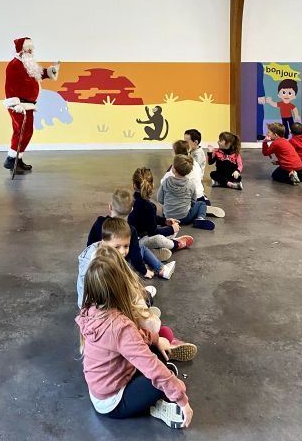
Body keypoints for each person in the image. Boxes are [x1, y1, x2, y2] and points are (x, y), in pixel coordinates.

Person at [76, 247, 194, 427]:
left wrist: (156, 339)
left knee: (156, 354)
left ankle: (159, 377)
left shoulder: (90, 310)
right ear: (123, 286)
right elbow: (151, 366)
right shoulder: (120, 326)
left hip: (102, 390)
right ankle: (155, 407)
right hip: (114, 404)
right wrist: (181, 399)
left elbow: (134, 338)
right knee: (166, 374)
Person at [87, 188, 176, 279]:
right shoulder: (130, 229)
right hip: (124, 268)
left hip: (101, 267)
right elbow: (135, 255)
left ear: (110, 207)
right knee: (141, 248)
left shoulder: (99, 222)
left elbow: (90, 245)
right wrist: (144, 272)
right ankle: (160, 269)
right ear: (131, 210)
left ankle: (147, 263)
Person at [2, 37, 59, 173]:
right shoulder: (14, 65)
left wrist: (50, 71)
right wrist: (15, 105)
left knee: (24, 132)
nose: (30, 51)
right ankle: (11, 160)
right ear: (21, 50)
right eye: (28, 49)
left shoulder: (27, 64)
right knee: (22, 132)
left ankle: (18, 159)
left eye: (31, 49)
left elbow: (37, 74)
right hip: (19, 106)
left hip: (27, 105)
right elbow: (9, 87)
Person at [128, 167, 194, 253]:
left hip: (136, 238)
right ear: (152, 185)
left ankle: (156, 250)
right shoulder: (148, 206)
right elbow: (153, 232)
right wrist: (171, 229)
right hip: (138, 242)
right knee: (159, 239)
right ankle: (176, 244)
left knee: (168, 230)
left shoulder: (133, 200)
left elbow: (149, 218)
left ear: (134, 185)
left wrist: (164, 221)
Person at [162, 141, 224, 217]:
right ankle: (201, 208)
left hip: (182, 201)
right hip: (198, 196)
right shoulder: (194, 163)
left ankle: (193, 209)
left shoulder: (174, 168)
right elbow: (199, 177)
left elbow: (163, 182)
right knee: (202, 201)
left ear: (175, 153)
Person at [157, 155, 215, 230]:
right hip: (184, 218)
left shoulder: (166, 181)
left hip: (167, 218)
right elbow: (193, 200)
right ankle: (200, 218)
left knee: (165, 207)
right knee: (201, 203)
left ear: (174, 170)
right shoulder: (191, 184)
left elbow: (160, 199)